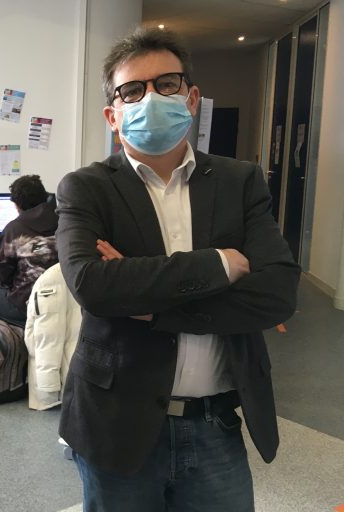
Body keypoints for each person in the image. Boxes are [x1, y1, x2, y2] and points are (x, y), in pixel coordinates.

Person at [56, 28, 300, 512]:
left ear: (190, 98)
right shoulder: (86, 188)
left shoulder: (240, 181)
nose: (150, 98)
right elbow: (94, 286)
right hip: (115, 422)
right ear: (112, 115)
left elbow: (277, 292)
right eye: (132, 90)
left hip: (215, 423)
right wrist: (220, 264)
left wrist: (156, 307)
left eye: (166, 84)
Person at [0, 174, 58, 327]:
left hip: (27, 305)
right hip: (61, 302)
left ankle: (10, 336)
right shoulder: (65, 222)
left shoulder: (13, 230)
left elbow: (5, 276)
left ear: (18, 205)